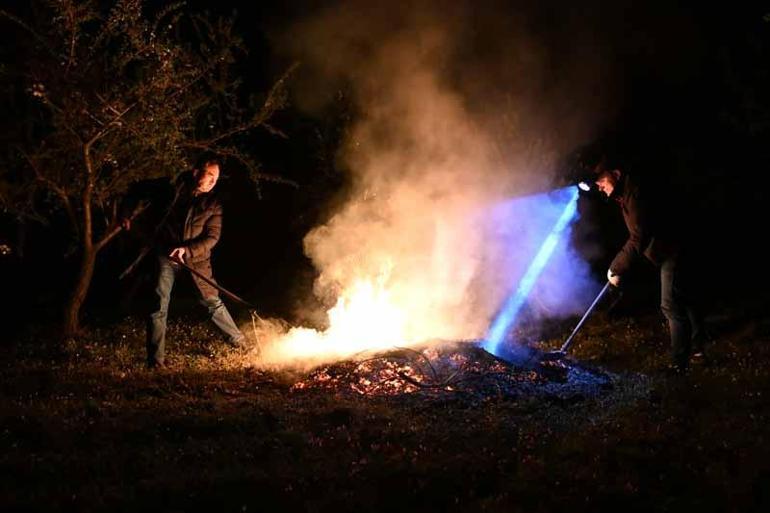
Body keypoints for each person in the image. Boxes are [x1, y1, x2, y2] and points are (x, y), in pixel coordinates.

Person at [123, 158, 246, 369]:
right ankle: (155, 362)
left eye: (216, 178)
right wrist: (126, 213)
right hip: (165, 255)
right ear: (197, 172)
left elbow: (212, 238)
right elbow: (136, 190)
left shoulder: (213, 204)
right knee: (159, 305)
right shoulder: (171, 190)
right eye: (210, 175)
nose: (213, 181)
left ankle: (241, 344)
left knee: (211, 302)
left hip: (196, 260)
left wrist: (187, 250)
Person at [591, 154, 708, 374]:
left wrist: (617, 267)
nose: (599, 186)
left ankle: (678, 362)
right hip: (667, 250)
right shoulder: (625, 194)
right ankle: (698, 349)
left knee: (670, 304)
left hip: (671, 250)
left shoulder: (635, 193)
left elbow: (639, 236)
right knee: (685, 298)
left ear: (615, 174)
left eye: (601, 180)